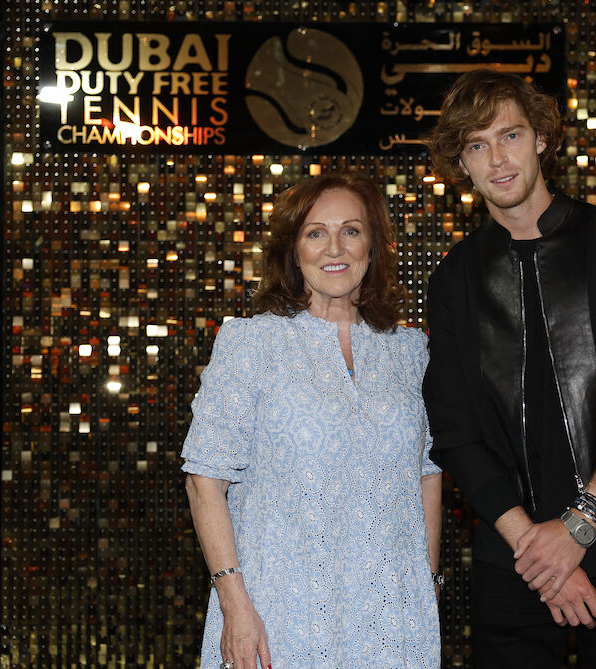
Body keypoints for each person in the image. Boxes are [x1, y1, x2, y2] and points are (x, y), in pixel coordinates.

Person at [422, 69, 596, 667]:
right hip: (512, 560)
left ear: (541, 137)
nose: (497, 159)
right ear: (461, 164)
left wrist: (579, 527)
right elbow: (455, 433)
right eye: (477, 146)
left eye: (509, 136)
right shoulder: (456, 278)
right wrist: (539, 551)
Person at [182, 172, 442, 669]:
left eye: (351, 229)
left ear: (372, 245)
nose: (334, 247)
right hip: (278, 614)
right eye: (315, 233)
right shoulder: (252, 344)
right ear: (293, 250)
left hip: (392, 617)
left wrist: (425, 587)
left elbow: (427, 475)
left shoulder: (411, 351)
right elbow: (204, 482)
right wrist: (235, 606)